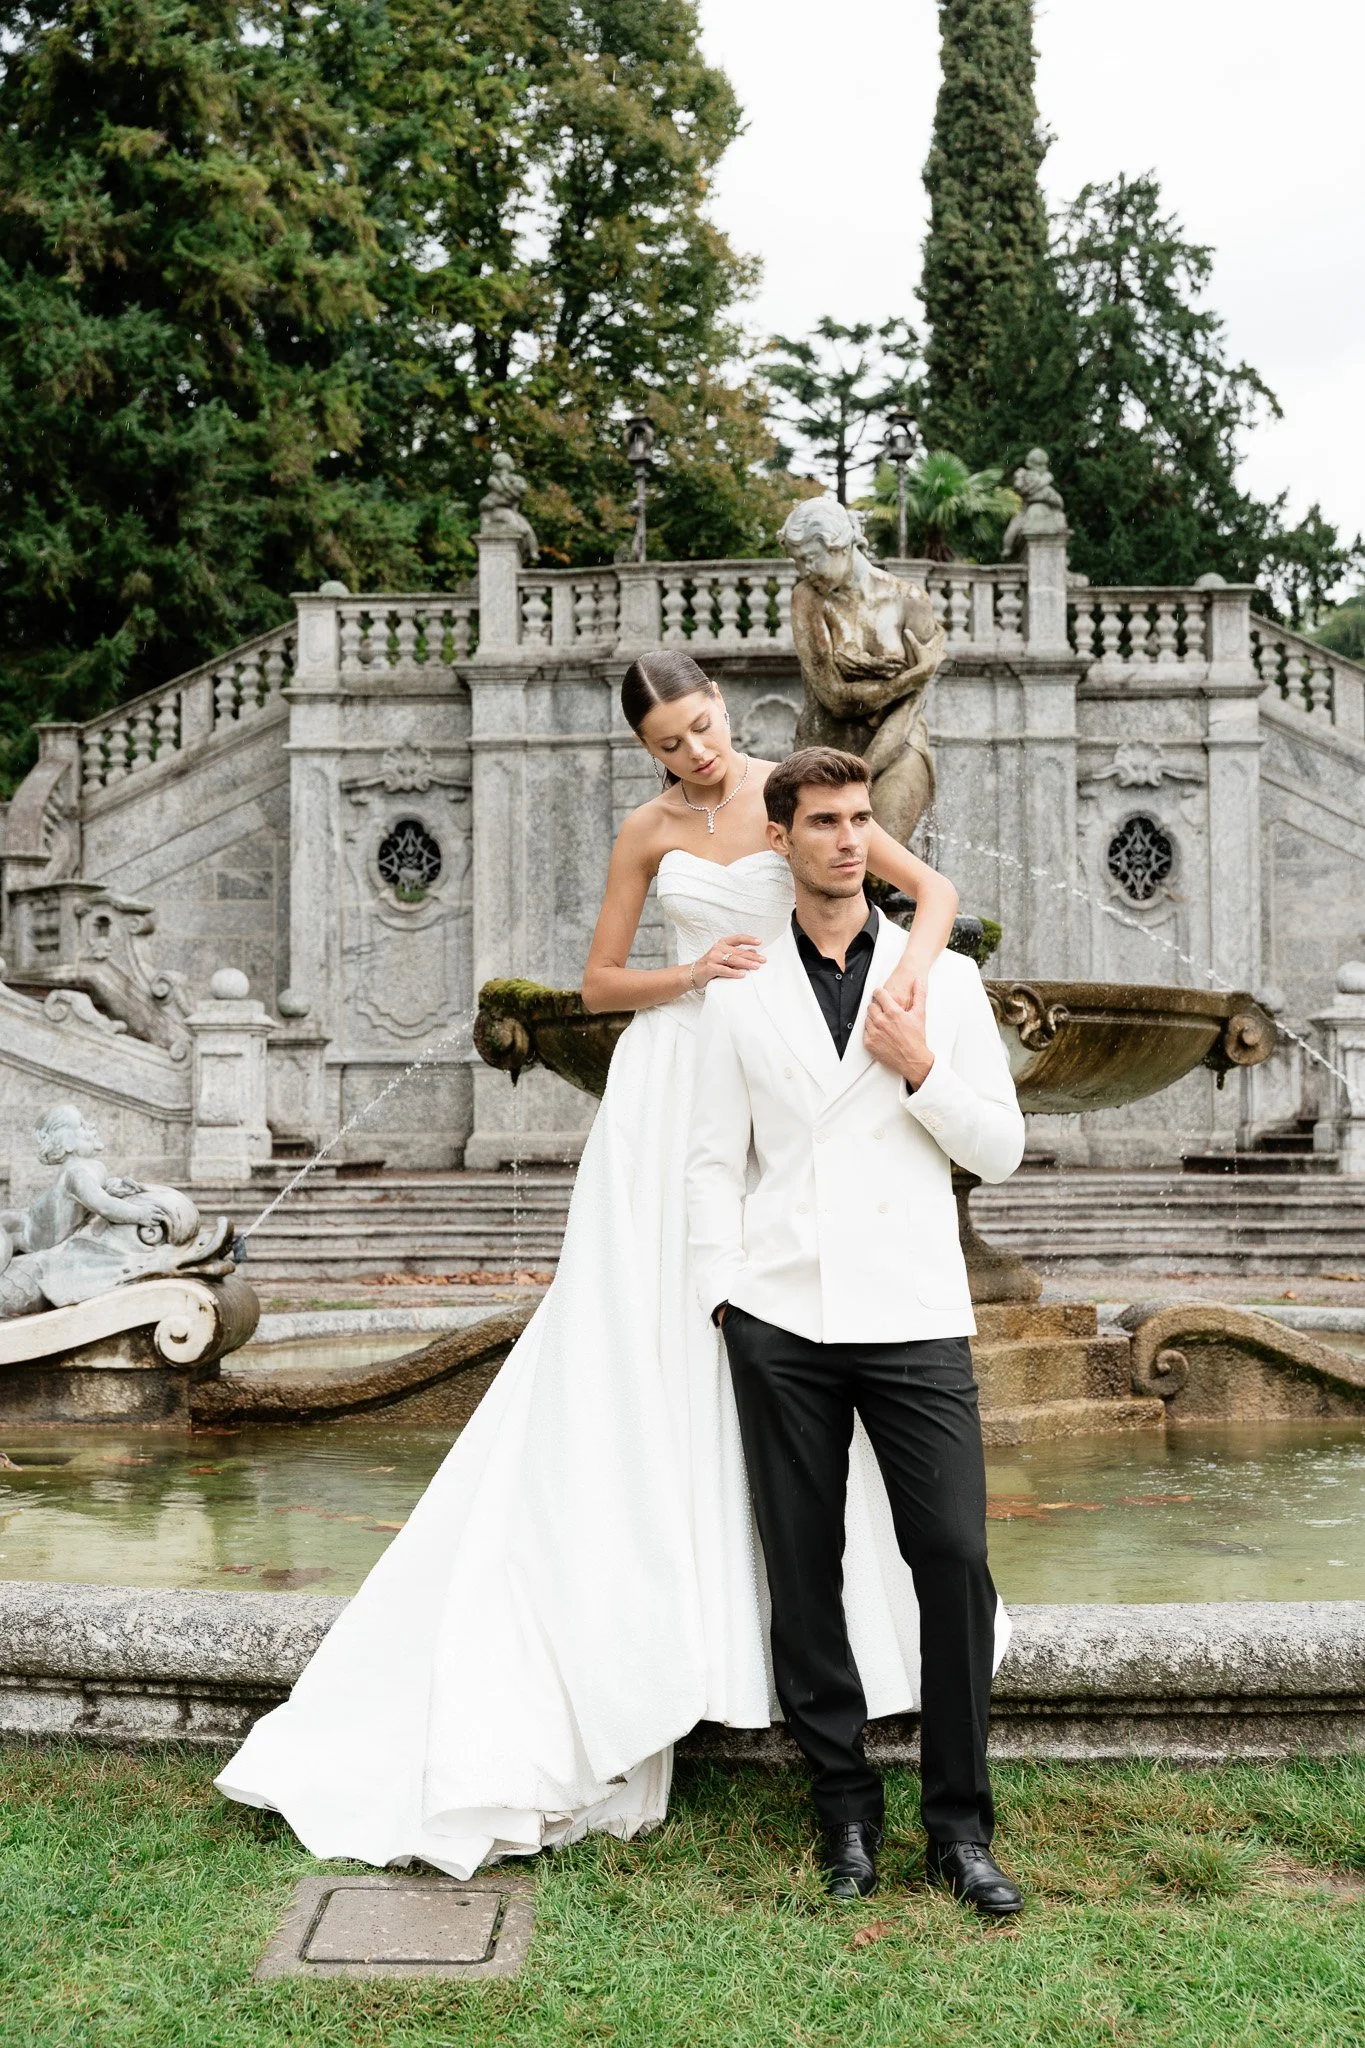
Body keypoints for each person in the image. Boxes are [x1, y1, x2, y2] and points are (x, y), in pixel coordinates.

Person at [216, 652, 961, 1879]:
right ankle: (651, 1621)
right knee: (652, 1335)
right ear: (646, 749)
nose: (697, 753)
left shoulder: (798, 796)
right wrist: (694, 972)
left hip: (788, 1069)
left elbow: (928, 893)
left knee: (791, 1318)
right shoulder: (647, 831)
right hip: (674, 1076)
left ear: (724, 708)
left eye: (704, 726)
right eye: (671, 743)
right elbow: (599, 980)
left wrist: (910, 974)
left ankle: (779, 1635)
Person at [687, 746, 1026, 1913]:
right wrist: (725, 1294)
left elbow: (1002, 1148)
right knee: (804, 1566)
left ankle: (960, 1825)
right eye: (824, 820)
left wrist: (921, 1068)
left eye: (859, 819)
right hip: (781, 1315)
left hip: (914, 1311)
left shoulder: (948, 983)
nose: (846, 839)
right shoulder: (739, 990)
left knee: (955, 1557)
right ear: (779, 837)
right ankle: (843, 1806)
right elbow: (711, 1159)